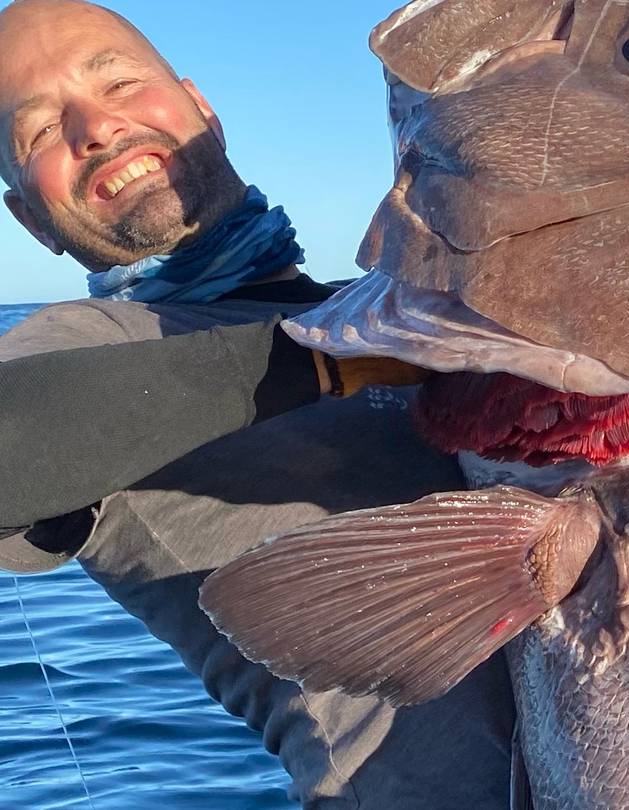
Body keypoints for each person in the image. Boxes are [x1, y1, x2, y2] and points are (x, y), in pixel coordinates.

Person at [0, 2, 515, 807]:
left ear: (202, 107)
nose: (94, 127)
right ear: (31, 219)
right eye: (37, 134)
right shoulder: (86, 344)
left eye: (122, 82)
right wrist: (328, 359)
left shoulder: (398, 304)